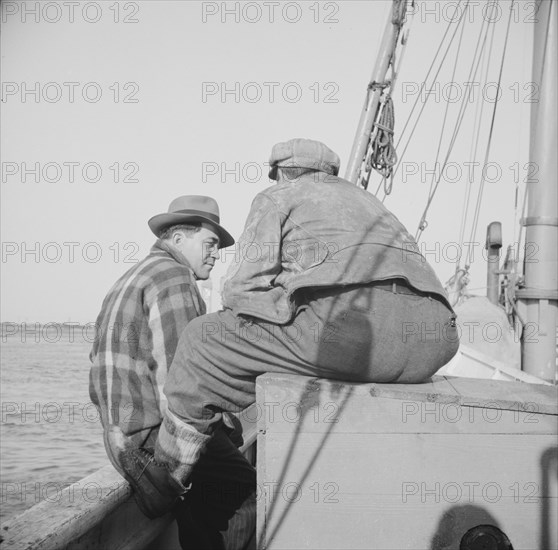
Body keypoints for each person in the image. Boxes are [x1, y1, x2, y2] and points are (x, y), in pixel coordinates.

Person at [148, 139, 460, 513]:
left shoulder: (278, 196)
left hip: (358, 334)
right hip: (437, 338)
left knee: (203, 339)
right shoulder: (367, 201)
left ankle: (165, 482)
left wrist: (285, 301)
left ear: (282, 173)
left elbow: (241, 291)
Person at [89, 195, 256, 550]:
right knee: (243, 488)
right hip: (153, 439)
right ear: (177, 239)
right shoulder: (174, 277)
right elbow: (182, 380)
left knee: (207, 490)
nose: (216, 254)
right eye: (210, 243)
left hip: (121, 436)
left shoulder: (130, 277)